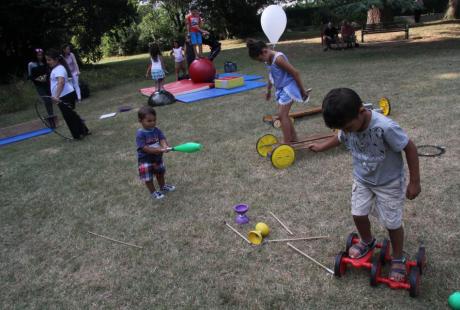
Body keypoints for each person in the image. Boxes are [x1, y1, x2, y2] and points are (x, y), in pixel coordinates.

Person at [308, 88, 421, 282]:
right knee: (358, 213)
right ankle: (367, 241)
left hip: (389, 183)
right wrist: (321, 147)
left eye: (348, 127)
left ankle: (397, 257)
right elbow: (338, 138)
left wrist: (415, 182)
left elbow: (409, 147)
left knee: (392, 223)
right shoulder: (347, 125)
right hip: (363, 179)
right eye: (343, 128)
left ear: (361, 112)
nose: (346, 132)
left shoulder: (385, 127)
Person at [246, 39, 310, 144]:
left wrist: (302, 91)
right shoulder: (268, 59)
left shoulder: (278, 59)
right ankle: (293, 138)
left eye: (260, 60)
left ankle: (287, 143)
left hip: (289, 88)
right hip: (281, 89)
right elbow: (271, 74)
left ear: (264, 51)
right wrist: (268, 90)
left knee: (282, 115)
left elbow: (295, 73)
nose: (262, 62)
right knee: (283, 115)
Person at [45, 48, 90, 139]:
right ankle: (83, 131)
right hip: (66, 94)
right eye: (47, 60)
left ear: (56, 59)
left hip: (64, 96)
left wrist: (56, 96)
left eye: (49, 60)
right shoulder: (57, 68)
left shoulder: (59, 69)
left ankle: (77, 135)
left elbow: (61, 82)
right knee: (72, 114)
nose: (48, 62)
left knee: (69, 117)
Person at [136, 106, 176, 200]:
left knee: (160, 173)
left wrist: (165, 146)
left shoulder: (156, 130)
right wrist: (158, 150)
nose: (152, 123)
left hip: (157, 158)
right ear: (140, 121)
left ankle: (163, 186)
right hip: (145, 160)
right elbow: (145, 148)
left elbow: (162, 139)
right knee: (148, 177)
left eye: (154, 120)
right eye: (149, 121)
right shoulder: (140, 133)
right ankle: (153, 192)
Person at [28, 48, 53, 116]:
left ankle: (52, 114)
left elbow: (48, 72)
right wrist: (38, 79)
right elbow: (30, 76)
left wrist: (45, 77)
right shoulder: (31, 64)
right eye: (38, 55)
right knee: (46, 100)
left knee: (50, 99)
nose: (40, 57)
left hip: (47, 84)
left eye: (41, 55)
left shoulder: (44, 63)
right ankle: (50, 115)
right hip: (39, 85)